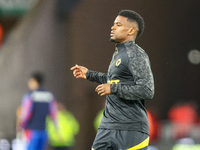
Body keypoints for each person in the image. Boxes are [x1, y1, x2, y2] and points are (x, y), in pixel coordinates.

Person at [70, 9, 154, 150]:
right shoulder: (118, 54)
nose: (112, 27)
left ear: (131, 31)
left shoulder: (136, 54)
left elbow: (147, 90)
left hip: (130, 129)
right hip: (107, 127)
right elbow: (113, 80)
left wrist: (113, 88)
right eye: (114, 24)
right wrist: (89, 74)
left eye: (118, 25)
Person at [18, 71, 58, 150]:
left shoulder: (30, 95)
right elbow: (54, 113)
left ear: (34, 81)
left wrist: (21, 125)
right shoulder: (49, 95)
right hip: (44, 131)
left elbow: (26, 113)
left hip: (32, 131)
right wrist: (56, 128)